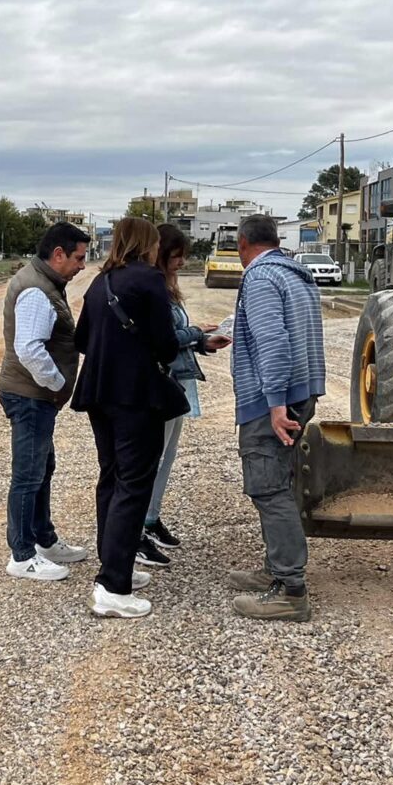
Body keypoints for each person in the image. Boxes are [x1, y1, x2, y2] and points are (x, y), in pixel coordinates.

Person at [71, 217, 189, 619]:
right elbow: (167, 345)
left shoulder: (100, 281)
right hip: (135, 395)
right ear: (147, 244)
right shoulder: (148, 280)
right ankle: (112, 585)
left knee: (111, 477)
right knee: (135, 483)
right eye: (155, 243)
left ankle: (113, 563)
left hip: (98, 391)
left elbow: (82, 339)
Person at [226, 213, 325, 622]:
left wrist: (274, 404)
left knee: (268, 487)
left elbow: (272, 341)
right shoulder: (296, 275)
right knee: (279, 480)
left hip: (276, 400)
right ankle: (275, 567)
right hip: (301, 390)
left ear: (242, 243)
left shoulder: (261, 277)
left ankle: (290, 588)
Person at [0, 221, 92, 582]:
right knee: (28, 474)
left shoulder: (46, 282)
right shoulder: (37, 290)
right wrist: (56, 384)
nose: (82, 265)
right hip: (31, 395)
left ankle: (43, 540)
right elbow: (29, 349)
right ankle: (22, 555)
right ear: (58, 255)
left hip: (35, 395)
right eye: (79, 258)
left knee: (43, 467)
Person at [139, 224, 230, 567]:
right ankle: (140, 525)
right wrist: (196, 333)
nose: (181, 263)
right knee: (153, 457)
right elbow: (163, 338)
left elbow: (175, 336)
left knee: (167, 456)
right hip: (163, 382)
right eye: (176, 257)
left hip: (178, 379)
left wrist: (202, 343)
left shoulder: (168, 288)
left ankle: (151, 517)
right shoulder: (152, 289)